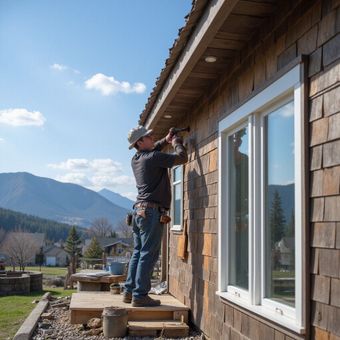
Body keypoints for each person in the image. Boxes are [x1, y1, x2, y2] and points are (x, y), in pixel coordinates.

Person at [123, 125, 188, 307]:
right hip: (151, 212)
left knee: (138, 252)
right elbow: (183, 158)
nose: (153, 137)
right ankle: (140, 295)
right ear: (140, 142)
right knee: (148, 254)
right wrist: (176, 142)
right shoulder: (153, 158)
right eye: (149, 136)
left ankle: (129, 291)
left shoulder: (136, 159)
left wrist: (164, 140)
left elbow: (152, 150)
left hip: (139, 211)